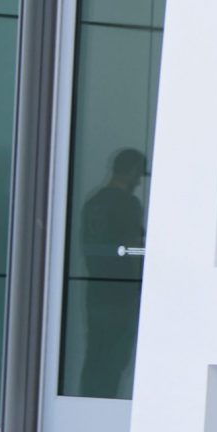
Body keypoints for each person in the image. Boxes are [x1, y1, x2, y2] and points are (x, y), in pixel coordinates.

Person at [77, 148, 148, 398]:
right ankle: (103, 410)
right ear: (130, 171)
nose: (138, 181)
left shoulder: (93, 203)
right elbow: (133, 249)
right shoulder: (127, 204)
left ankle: (88, 409)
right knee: (114, 360)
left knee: (96, 355)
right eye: (138, 174)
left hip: (96, 291)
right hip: (121, 293)